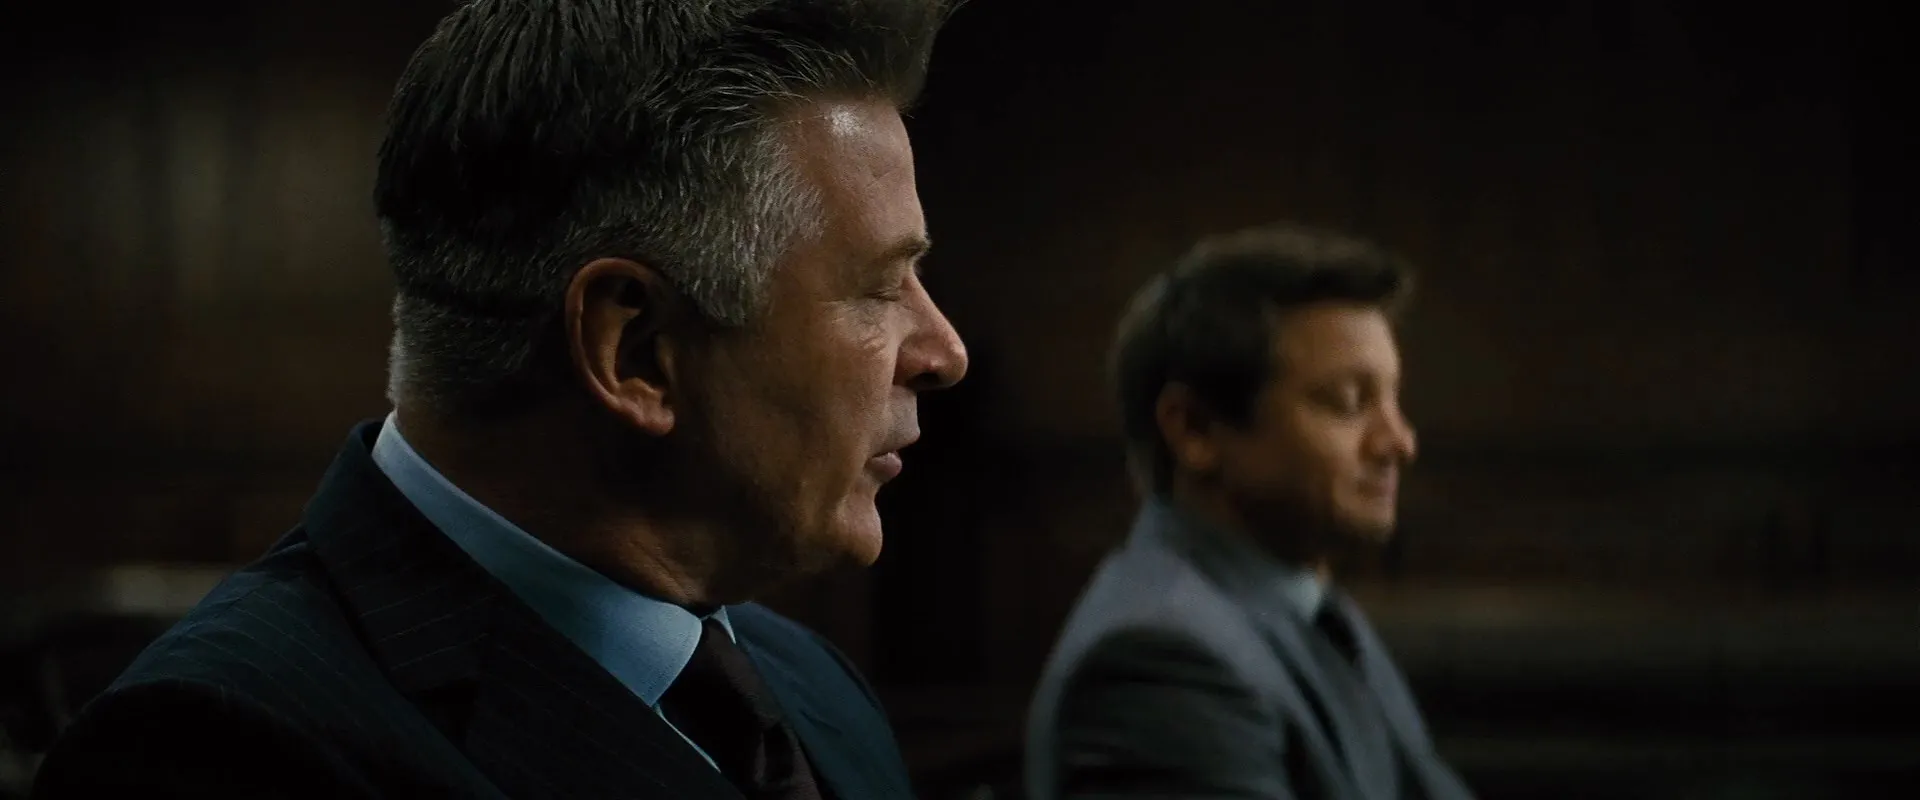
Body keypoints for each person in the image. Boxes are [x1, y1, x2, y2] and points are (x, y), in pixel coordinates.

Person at [33, 1, 966, 797]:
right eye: (879, 289)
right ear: (635, 350)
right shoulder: (210, 752)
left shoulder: (813, 685)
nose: (943, 352)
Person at [1024, 225, 1474, 799]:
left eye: (1393, 398)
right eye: (1347, 401)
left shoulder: (1313, 607)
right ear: (1194, 429)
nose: (1399, 442)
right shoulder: (1164, 662)